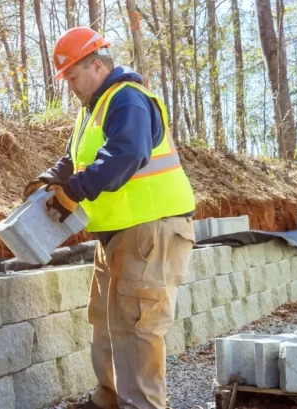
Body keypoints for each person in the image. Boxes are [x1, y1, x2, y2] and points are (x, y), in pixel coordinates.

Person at [22, 27, 197, 409]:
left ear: (97, 66)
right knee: (105, 322)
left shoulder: (127, 100)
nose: (69, 85)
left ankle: (142, 405)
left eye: (72, 76)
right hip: (118, 234)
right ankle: (110, 399)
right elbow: (76, 158)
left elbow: (125, 154)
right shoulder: (96, 109)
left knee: (137, 328)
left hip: (150, 229)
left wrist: (75, 191)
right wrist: (53, 178)